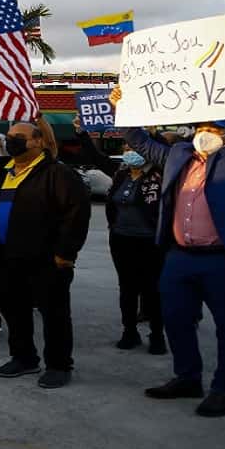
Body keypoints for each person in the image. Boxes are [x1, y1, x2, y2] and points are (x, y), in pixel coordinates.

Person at [112, 70, 225, 417]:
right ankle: (187, 377)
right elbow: (141, 143)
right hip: (179, 257)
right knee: (175, 319)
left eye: (214, 129)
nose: (205, 134)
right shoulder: (178, 156)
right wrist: (123, 108)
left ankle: (224, 390)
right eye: (202, 128)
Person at [0, 116, 91, 389]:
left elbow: (76, 213)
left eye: (18, 137)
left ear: (37, 141)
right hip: (8, 257)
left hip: (47, 259)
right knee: (14, 310)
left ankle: (59, 365)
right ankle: (24, 358)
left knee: (54, 313)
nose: (11, 141)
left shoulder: (56, 173)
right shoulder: (5, 170)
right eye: (9, 137)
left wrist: (66, 252)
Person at [74, 115, 167, 354]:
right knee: (127, 288)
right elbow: (96, 158)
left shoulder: (161, 173)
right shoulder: (121, 174)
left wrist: (152, 133)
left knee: (153, 289)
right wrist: (82, 133)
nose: (128, 151)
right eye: (126, 147)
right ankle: (129, 331)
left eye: (133, 146)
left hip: (150, 241)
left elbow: (165, 149)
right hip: (121, 239)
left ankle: (157, 334)